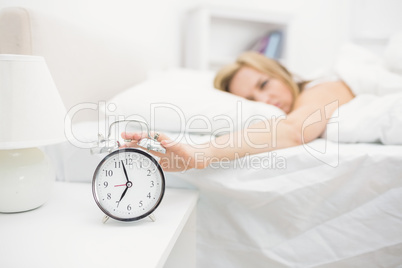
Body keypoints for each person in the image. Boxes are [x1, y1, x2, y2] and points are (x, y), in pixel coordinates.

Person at [122, 51, 354, 172]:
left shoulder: (322, 87)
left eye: (264, 84)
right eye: (251, 100)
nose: (264, 101)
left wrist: (201, 153)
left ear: (280, 71)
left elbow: (295, 129)